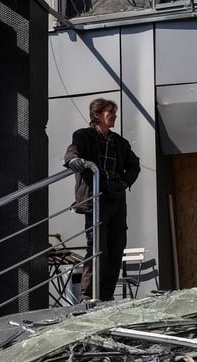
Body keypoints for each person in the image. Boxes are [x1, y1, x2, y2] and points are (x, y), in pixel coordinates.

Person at [64, 98, 140, 301]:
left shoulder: (119, 142)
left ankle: (106, 296)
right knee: (98, 248)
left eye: (114, 112)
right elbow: (73, 151)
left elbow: (135, 165)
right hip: (96, 200)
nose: (114, 116)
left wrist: (123, 182)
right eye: (110, 112)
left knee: (116, 248)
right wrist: (74, 161)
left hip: (116, 200)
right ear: (97, 115)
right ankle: (88, 296)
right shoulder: (83, 136)